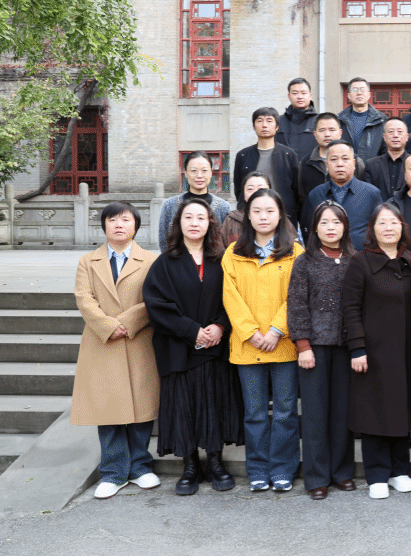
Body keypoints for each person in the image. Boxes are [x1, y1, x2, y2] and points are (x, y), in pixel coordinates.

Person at [143, 197, 241, 496]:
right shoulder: (164, 263)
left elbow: (235, 298)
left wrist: (220, 325)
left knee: (213, 403)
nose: (194, 223)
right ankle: (189, 465)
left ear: (210, 223)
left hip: (215, 347)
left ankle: (215, 461)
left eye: (201, 217)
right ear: (178, 224)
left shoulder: (222, 260)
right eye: (188, 217)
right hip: (179, 347)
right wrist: (192, 331)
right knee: (183, 405)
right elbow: (156, 305)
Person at [71, 202, 161, 499]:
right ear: (104, 226)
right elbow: (84, 298)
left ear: (136, 226)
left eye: (125, 220)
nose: (119, 225)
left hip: (138, 340)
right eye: (112, 220)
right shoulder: (88, 261)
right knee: (107, 408)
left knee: (141, 406)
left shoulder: (151, 260)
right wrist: (109, 326)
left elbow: (154, 299)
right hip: (102, 342)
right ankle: (113, 472)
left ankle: (140, 467)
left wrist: (127, 323)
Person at [221, 188, 304, 493]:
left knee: (285, 412)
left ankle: (283, 469)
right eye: (257, 211)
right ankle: (257, 469)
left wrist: (276, 330)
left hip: (283, 343)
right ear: (248, 216)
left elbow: (297, 295)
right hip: (248, 345)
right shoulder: (234, 252)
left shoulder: (295, 252)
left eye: (270, 211)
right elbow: (230, 295)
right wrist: (251, 332)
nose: (263, 217)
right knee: (254, 413)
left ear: (280, 215)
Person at [342, 203, 411, 499]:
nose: (389, 228)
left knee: (402, 410)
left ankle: (400, 470)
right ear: (372, 229)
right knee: (374, 411)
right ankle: (376, 473)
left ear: (402, 227)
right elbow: (350, 308)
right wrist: (357, 347)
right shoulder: (360, 262)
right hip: (373, 351)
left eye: (394, 222)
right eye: (382, 223)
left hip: (406, 349)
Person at [288, 202, 356, 500]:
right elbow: (296, 304)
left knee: (342, 413)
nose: (331, 227)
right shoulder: (305, 261)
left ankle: (342, 472)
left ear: (345, 227)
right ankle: (317, 477)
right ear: (314, 227)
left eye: (336, 222)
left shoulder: (355, 259)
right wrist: (303, 345)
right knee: (315, 415)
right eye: (324, 222)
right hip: (314, 348)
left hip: (346, 347)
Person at [306, 140, 383, 250]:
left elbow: (379, 230)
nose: (340, 164)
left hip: (362, 257)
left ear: (354, 163)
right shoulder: (316, 194)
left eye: (345, 159)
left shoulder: (371, 193)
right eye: (334, 159)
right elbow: (310, 231)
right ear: (327, 164)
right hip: (325, 257)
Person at [234, 106, 301, 228]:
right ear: (254, 126)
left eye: (269, 121)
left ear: (277, 127)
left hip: (284, 216)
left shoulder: (288, 155)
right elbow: (239, 189)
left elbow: (297, 190)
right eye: (259, 121)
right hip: (252, 217)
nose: (264, 125)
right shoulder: (243, 155)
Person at [297, 113, 362, 236]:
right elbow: (302, 197)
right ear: (315, 134)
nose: (327, 134)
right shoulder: (305, 163)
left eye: (332, 130)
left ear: (340, 132)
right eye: (322, 130)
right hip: (317, 229)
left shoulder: (355, 162)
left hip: (350, 228)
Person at [158, 151, 230, 252]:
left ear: (211, 173)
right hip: (177, 260)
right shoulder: (169, 205)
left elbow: (227, 243)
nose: (199, 175)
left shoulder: (223, 207)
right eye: (193, 171)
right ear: (186, 173)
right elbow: (163, 242)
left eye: (204, 171)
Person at [222, 172, 299, 246]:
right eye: (250, 189)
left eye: (261, 189)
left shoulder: (280, 219)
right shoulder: (231, 220)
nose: (255, 193)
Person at [339, 76, 387, 160]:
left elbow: (386, 150)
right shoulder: (339, 120)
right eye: (355, 90)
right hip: (346, 167)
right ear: (349, 96)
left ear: (369, 95)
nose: (359, 93)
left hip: (373, 167)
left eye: (362, 89)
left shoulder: (382, 120)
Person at [362, 117, 410, 198]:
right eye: (391, 132)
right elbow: (368, 195)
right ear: (384, 137)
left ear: (407, 137)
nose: (395, 135)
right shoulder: (371, 165)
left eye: (400, 132)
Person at [276, 77, 319, 160]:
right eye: (295, 93)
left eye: (303, 93)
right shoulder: (278, 121)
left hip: (311, 166)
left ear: (310, 96)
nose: (299, 97)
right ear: (289, 96)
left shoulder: (319, 121)